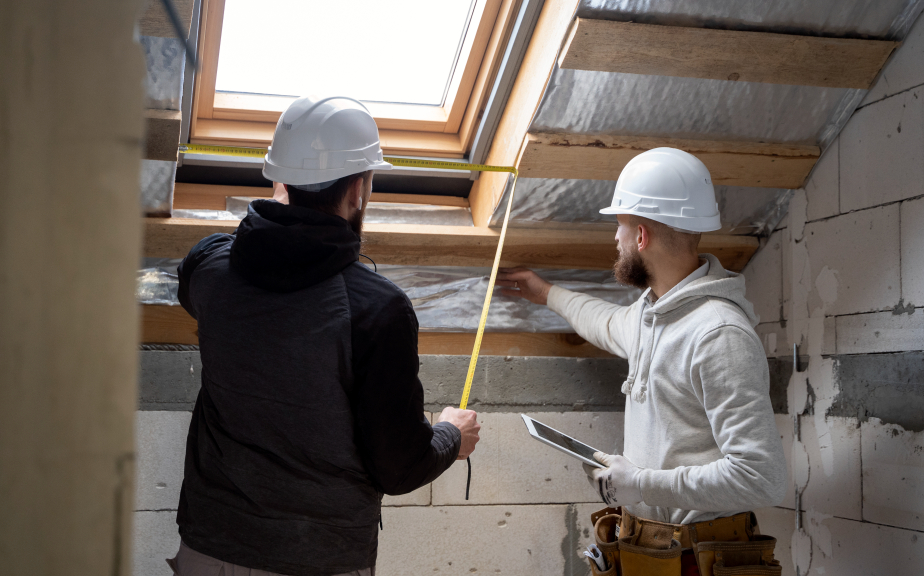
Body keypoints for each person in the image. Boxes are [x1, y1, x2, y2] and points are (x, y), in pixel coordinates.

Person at [169, 96, 481, 576]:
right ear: (358, 190)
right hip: (319, 559)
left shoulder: (210, 269)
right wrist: (449, 437)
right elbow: (398, 467)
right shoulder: (379, 308)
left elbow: (204, 281)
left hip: (210, 550)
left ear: (280, 181)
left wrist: (272, 227)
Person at [497, 148, 786, 575]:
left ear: (642, 236)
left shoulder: (718, 335)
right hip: (654, 551)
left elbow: (760, 476)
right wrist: (546, 294)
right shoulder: (652, 312)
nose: (616, 238)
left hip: (700, 559)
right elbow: (606, 322)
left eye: (620, 226)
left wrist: (641, 482)